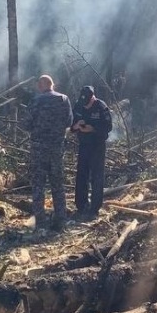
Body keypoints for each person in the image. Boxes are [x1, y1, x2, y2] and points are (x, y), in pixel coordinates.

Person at [20, 74, 73, 232]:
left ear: (41, 85)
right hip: (56, 148)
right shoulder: (64, 99)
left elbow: (27, 124)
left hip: (39, 149)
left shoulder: (36, 101)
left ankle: (41, 221)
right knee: (57, 184)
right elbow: (69, 122)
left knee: (38, 185)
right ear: (52, 85)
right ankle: (60, 219)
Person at [70, 85, 112, 220]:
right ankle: (81, 206)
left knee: (97, 177)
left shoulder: (101, 107)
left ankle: (94, 208)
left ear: (93, 97)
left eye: (88, 102)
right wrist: (76, 126)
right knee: (81, 175)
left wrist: (92, 128)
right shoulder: (78, 105)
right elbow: (71, 125)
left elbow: (108, 127)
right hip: (83, 145)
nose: (86, 105)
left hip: (97, 146)